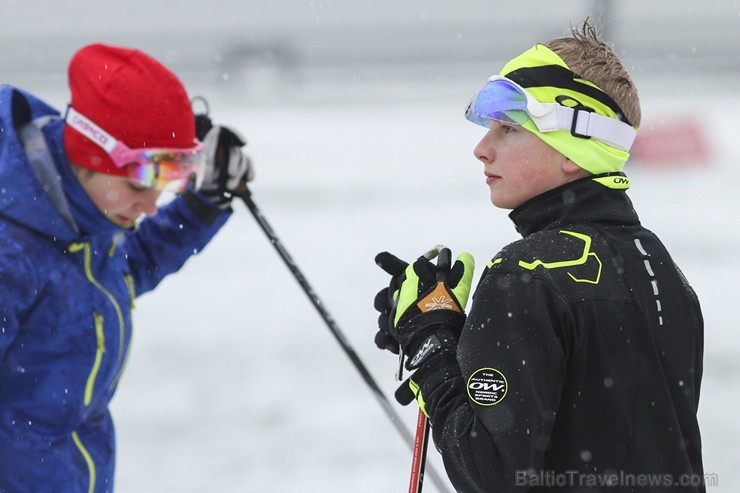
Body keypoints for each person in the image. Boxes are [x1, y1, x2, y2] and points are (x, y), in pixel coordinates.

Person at [374, 20, 705, 492]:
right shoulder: (662, 268)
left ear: (574, 149)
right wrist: (458, 337)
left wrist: (431, 347)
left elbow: (492, 473)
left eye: (507, 128)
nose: (481, 149)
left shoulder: (525, 275)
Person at [0, 44, 252, 492]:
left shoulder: (80, 217)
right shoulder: (13, 253)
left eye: (170, 182)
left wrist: (202, 205)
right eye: (140, 183)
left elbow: (119, 271)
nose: (153, 206)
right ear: (90, 156)